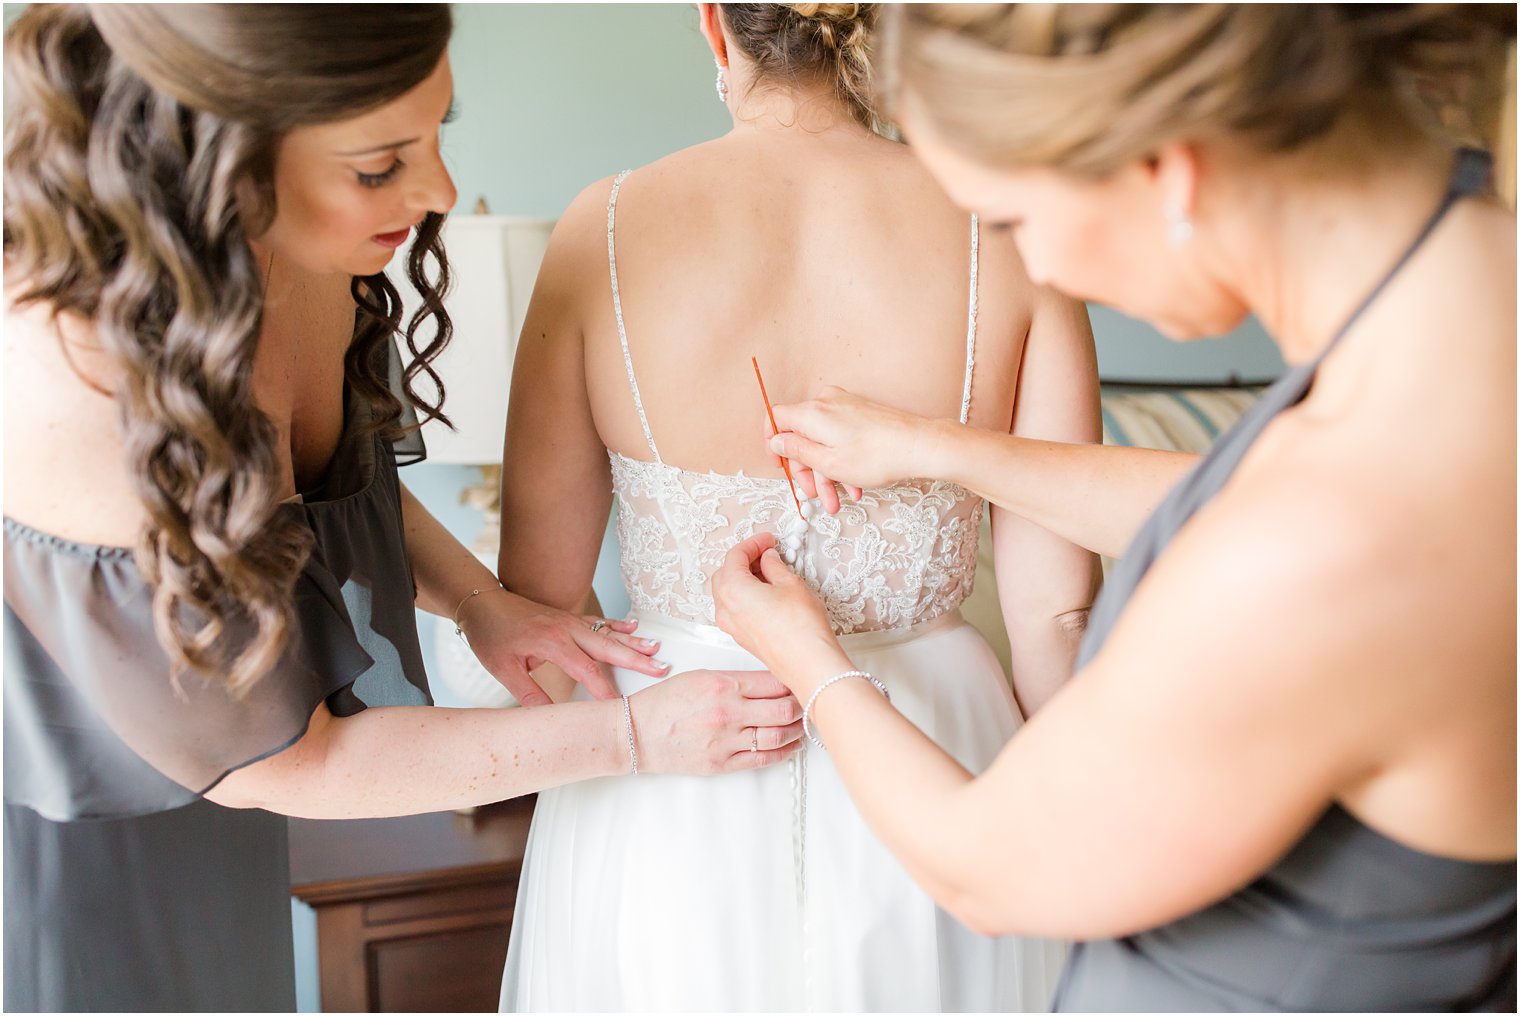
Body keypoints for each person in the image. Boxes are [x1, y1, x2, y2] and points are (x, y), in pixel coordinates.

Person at [714, 4, 1517, 1010]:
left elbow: (986, 867)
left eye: (1011, 219)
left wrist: (810, 660)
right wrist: (937, 449)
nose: (1038, 269)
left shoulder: (1335, 541)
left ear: (1160, 167)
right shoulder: (1462, 289)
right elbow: (1232, 503)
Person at [2, 6, 802, 1011]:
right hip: (72, 848)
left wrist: (479, 602)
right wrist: (635, 737)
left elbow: (332, 481)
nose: (439, 192)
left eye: (438, 133)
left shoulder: (295, 260)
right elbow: (293, 761)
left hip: (224, 818)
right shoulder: (77, 383)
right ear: (220, 164)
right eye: (381, 166)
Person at [494, 3, 1097, 1010]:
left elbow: (542, 609)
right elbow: (1054, 614)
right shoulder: (1006, 228)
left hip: (676, 769)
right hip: (938, 748)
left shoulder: (598, 229)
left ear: (711, 22)